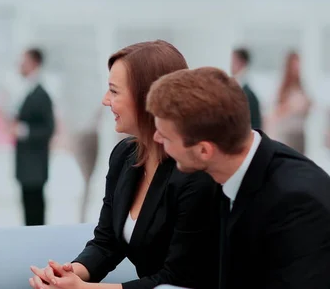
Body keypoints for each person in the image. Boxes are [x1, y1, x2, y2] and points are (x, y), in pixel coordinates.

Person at [29, 40, 220, 289]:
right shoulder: (124, 154)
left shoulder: (196, 173)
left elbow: (177, 280)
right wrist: (67, 273)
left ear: (148, 98)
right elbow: (107, 242)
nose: (105, 100)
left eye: (114, 91)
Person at [146, 66, 330, 289]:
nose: (156, 138)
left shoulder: (296, 203)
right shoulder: (227, 172)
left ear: (204, 150)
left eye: (164, 136)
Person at [11, 48, 55, 226]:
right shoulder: (28, 90)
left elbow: (48, 128)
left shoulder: (41, 94)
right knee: (29, 209)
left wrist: (23, 130)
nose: (20, 65)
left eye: (24, 61)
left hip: (35, 166)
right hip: (27, 165)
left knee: (35, 211)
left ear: (35, 63)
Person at [230, 48, 262, 129]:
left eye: (234, 61)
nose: (231, 65)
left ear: (242, 62)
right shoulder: (239, 86)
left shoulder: (247, 93)